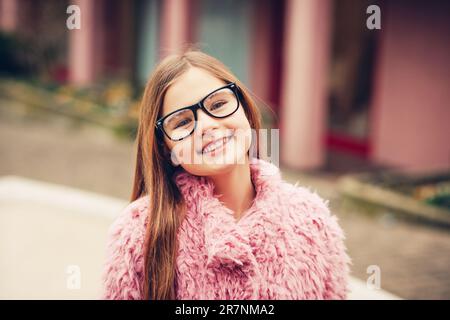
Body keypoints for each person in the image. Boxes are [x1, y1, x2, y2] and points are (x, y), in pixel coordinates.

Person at [101, 50, 350, 300]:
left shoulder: (312, 220)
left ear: (243, 106)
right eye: (182, 122)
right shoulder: (138, 234)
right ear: (165, 146)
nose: (207, 125)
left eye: (218, 104)